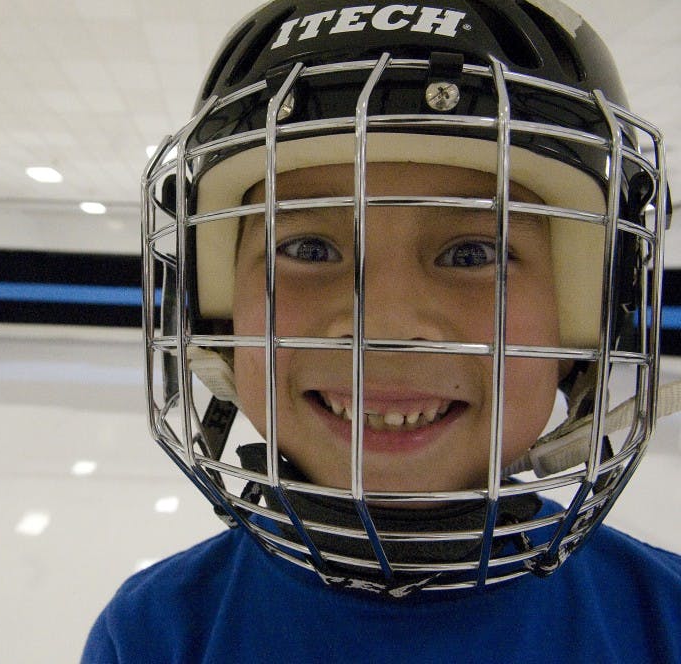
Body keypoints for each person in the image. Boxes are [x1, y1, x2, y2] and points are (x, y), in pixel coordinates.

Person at [84, 1, 681, 661]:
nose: (386, 326)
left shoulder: (667, 621)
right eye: (309, 249)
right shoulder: (153, 635)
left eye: (473, 255)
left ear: (585, 317)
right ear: (217, 314)